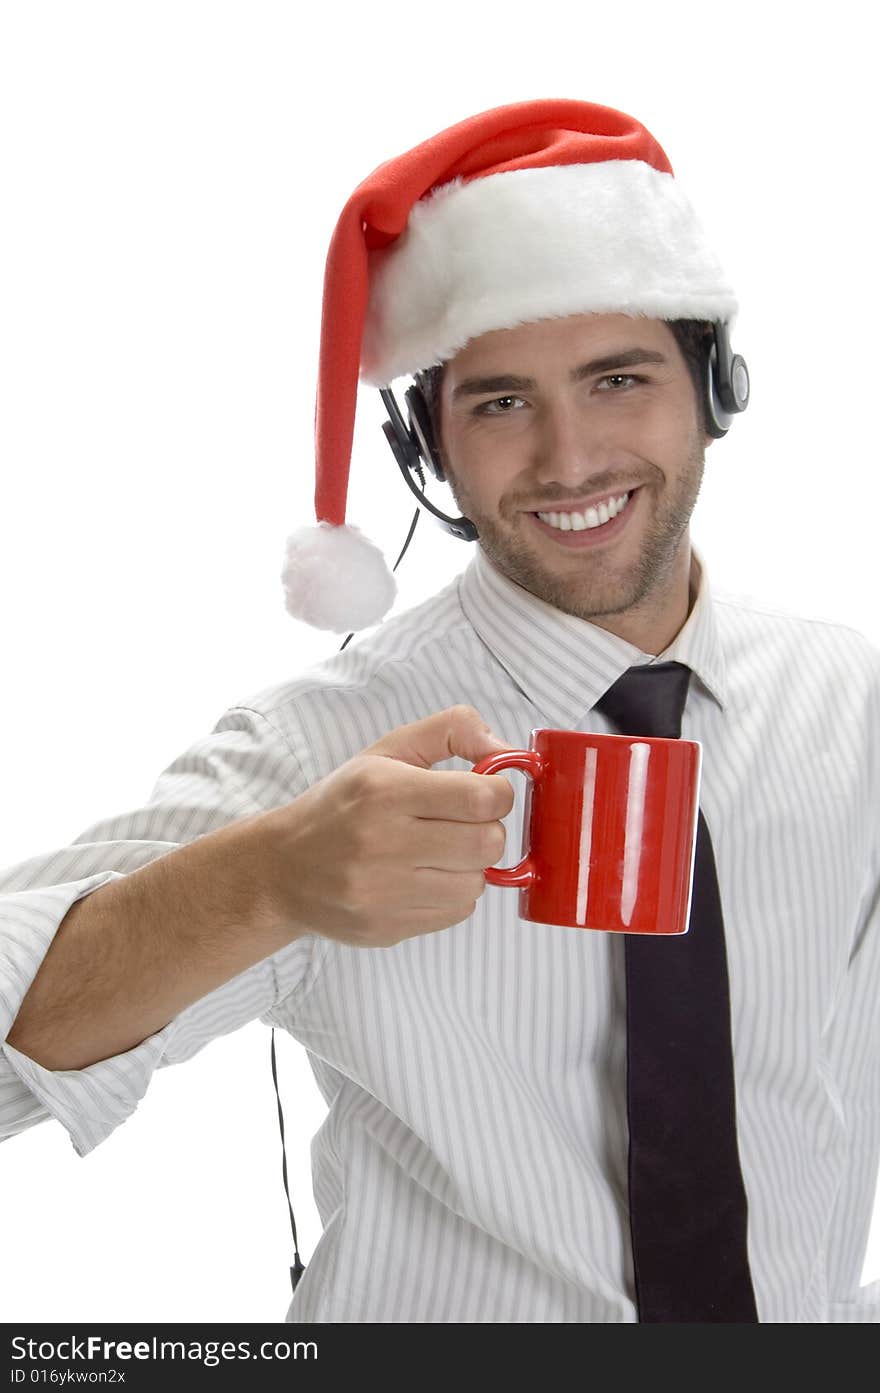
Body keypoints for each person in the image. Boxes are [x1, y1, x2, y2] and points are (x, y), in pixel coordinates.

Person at [2, 98, 879, 1324]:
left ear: (713, 386)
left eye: (617, 380)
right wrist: (270, 879)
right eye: (501, 403)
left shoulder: (848, 705)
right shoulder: (321, 752)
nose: (570, 461)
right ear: (429, 451)